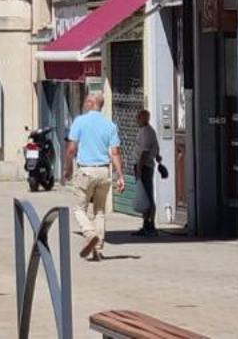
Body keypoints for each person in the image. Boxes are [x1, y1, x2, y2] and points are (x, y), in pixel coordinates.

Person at [64, 91, 125, 261]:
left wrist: (68, 168)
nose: (84, 103)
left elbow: (71, 149)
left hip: (86, 171)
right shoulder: (110, 125)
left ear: (91, 103)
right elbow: (115, 152)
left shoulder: (80, 122)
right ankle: (97, 248)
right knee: (99, 211)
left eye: (86, 101)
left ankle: (90, 234)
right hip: (104, 172)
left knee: (79, 208)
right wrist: (120, 175)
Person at [132, 109, 166, 237]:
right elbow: (155, 148)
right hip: (142, 166)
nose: (137, 119)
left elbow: (145, 152)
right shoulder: (144, 131)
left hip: (145, 166)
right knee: (144, 195)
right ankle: (145, 224)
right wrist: (157, 156)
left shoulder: (147, 132)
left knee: (147, 195)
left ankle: (150, 225)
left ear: (145, 118)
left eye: (139, 117)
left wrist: (140, 168)